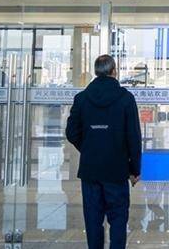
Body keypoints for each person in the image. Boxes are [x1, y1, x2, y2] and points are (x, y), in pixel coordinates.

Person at [65, 54, 141, 249]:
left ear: (96, 72)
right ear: (114, 71)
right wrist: (134, 169)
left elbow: (71, 132)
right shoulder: (126, 99)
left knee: (93, 219)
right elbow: (133, 137)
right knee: (118, 219)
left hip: (91, 170)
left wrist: (88, 147)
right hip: (117, 169)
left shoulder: (82, 98)